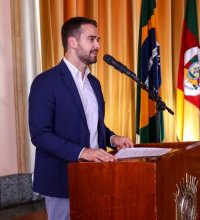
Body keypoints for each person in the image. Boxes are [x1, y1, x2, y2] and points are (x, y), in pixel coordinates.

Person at [28, 17, 134, 220]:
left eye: (98, 39)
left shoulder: (94, 83)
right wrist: (82, 152)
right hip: (61, 179)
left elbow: (93, 127)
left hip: (95, 177)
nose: (98, 45)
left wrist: (112, 138)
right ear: (72, 42)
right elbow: (40, 135)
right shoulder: (45, 82)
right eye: (92, 39)